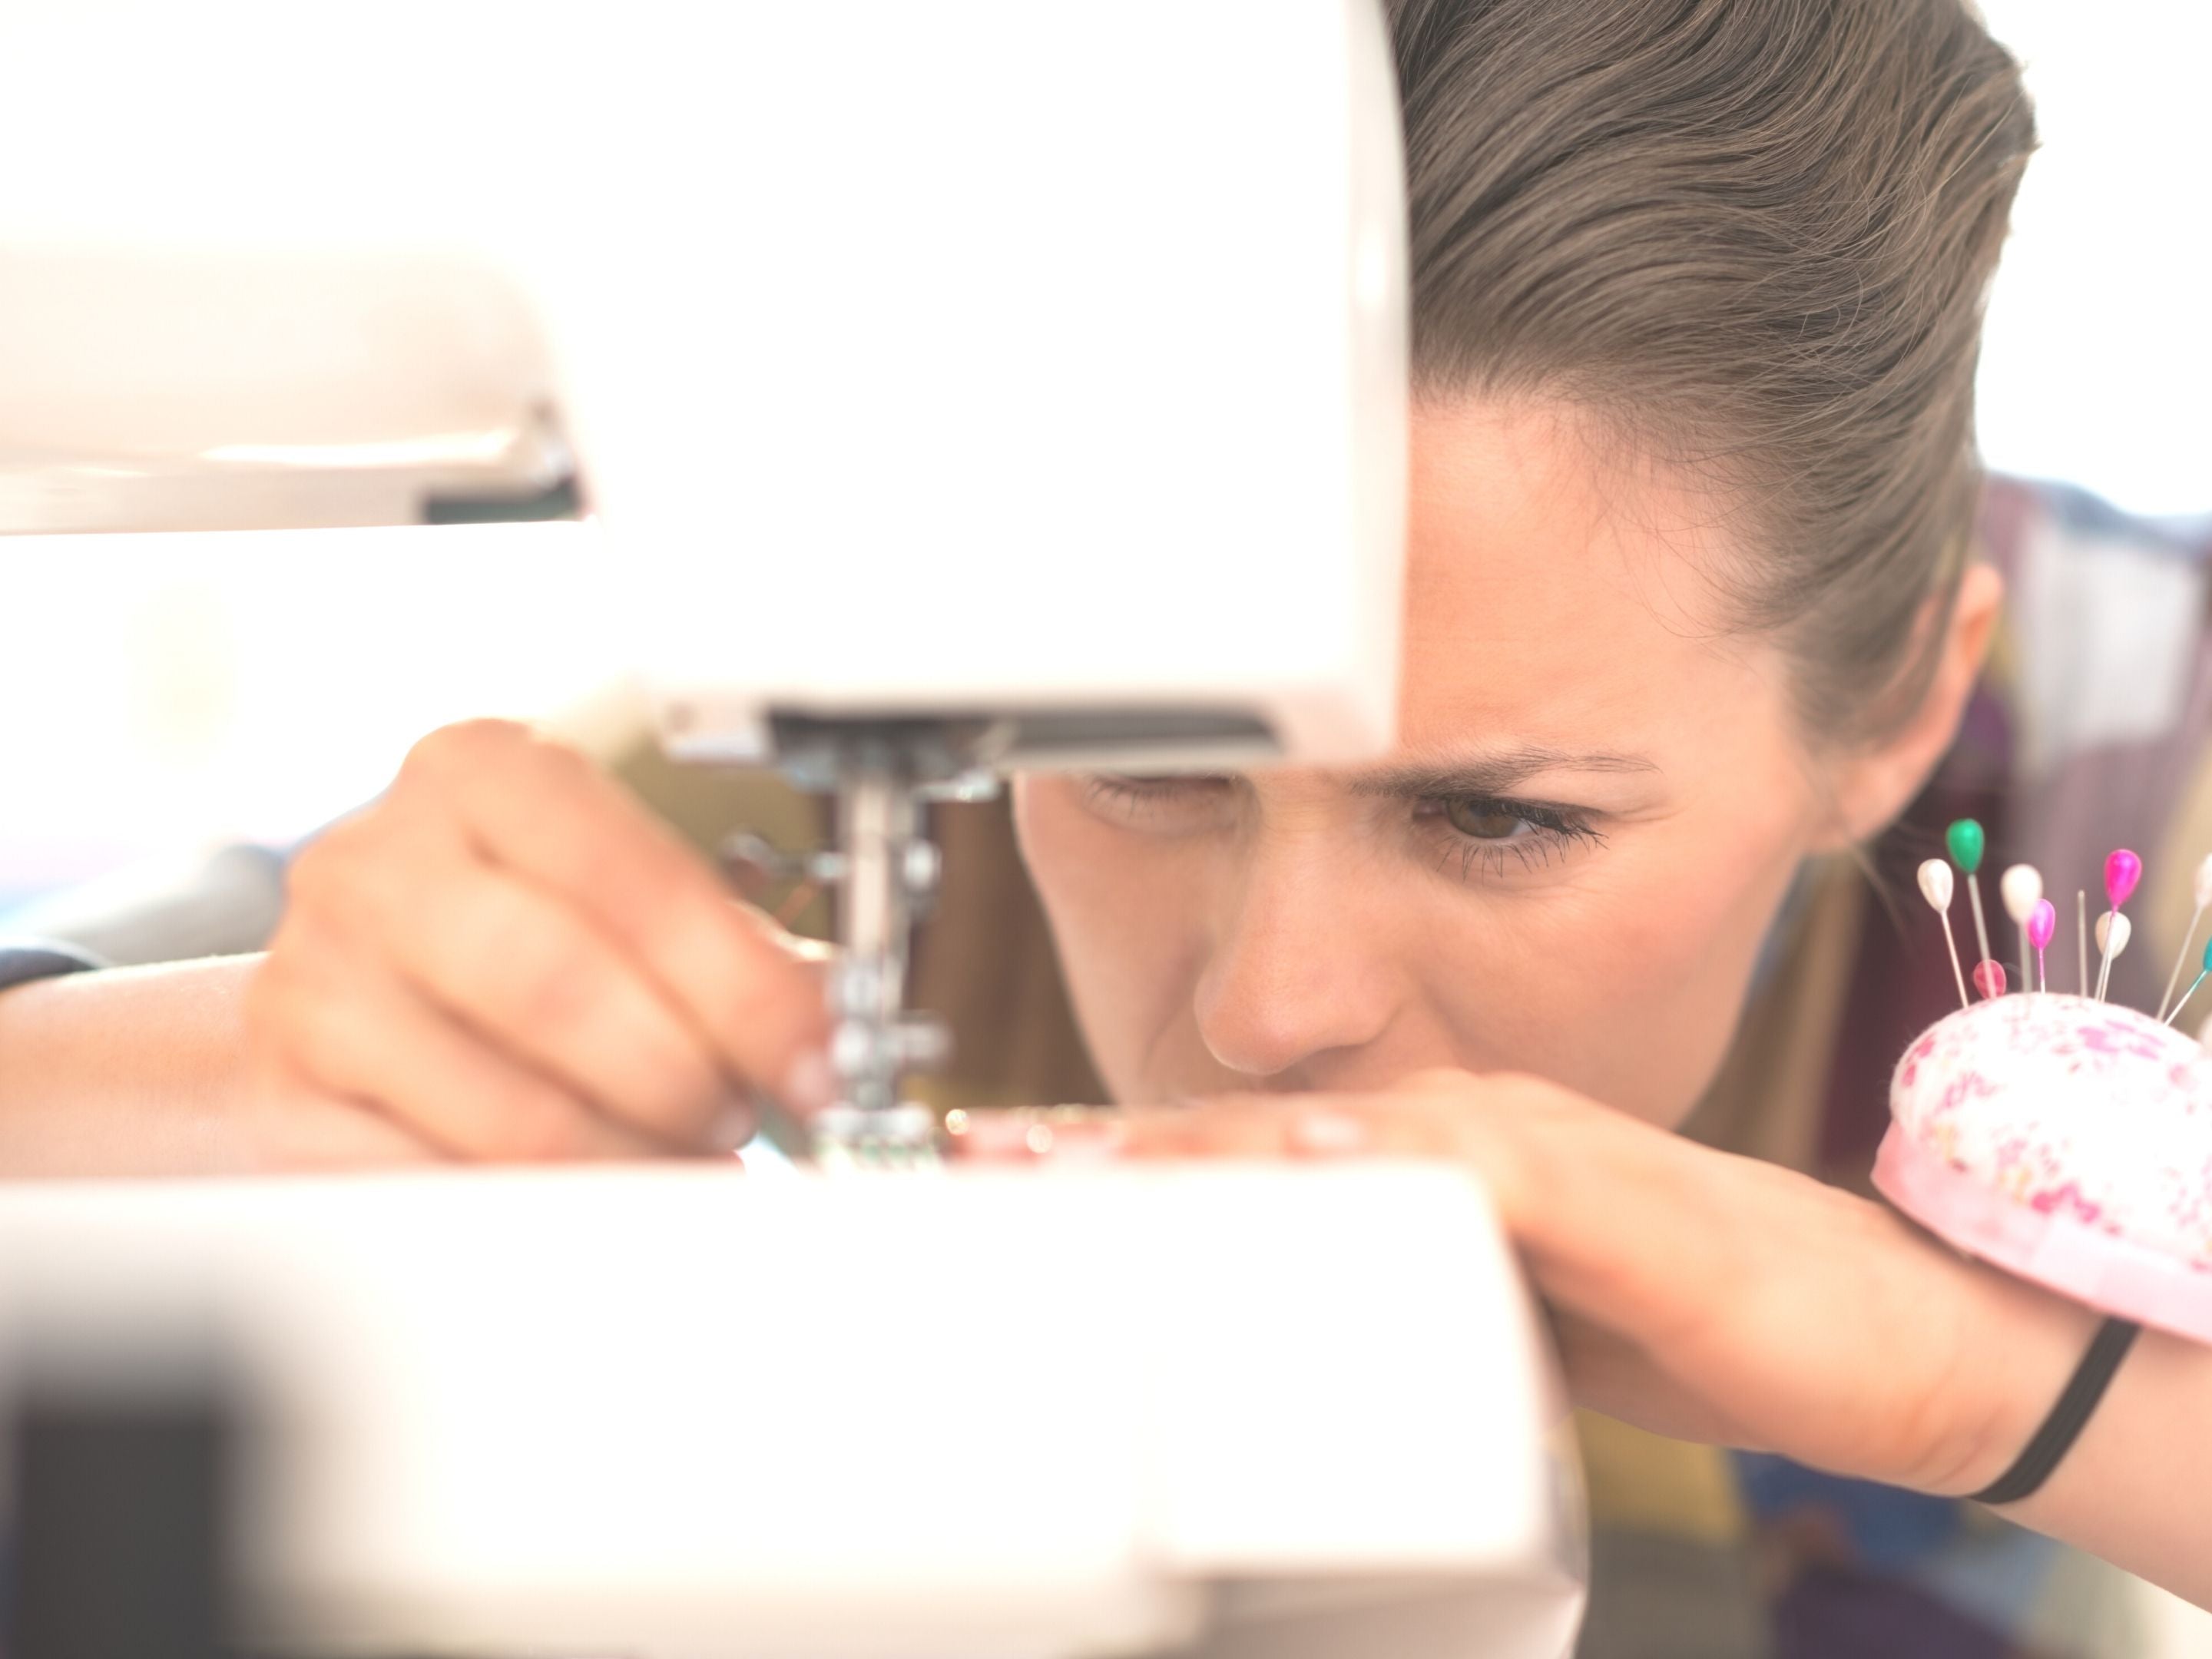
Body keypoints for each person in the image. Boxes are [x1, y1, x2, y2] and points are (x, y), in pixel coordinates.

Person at [2, 0, 2209, 1651]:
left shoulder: (2161, 802)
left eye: (1494, 818)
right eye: (1145, 767)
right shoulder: (884, 741)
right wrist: (249, 1064)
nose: (1267, 1010)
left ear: (1911, 693)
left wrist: (1977, 1388)